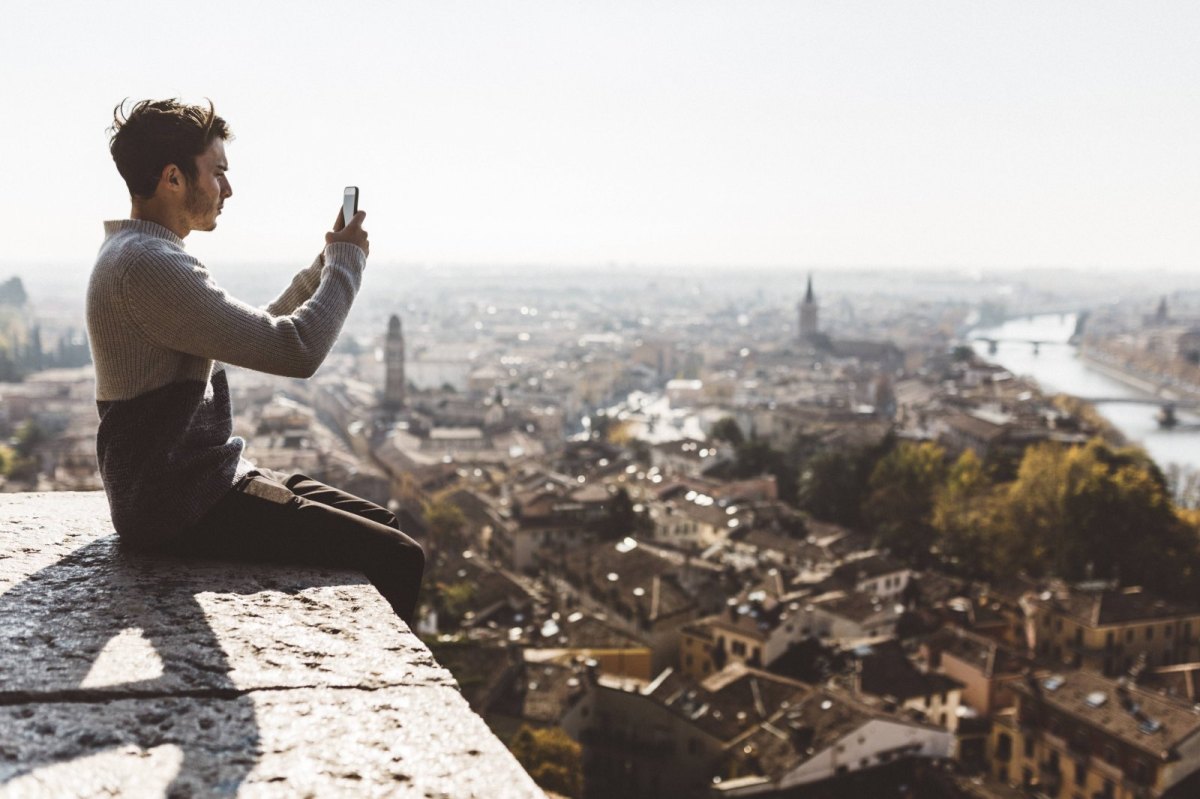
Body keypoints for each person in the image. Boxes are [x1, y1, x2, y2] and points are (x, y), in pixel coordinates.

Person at [86, 99, 424, 625]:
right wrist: (348, 266)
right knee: (397, 556)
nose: (228, 188)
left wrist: (325, 265)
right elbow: (297, 349)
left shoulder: (141, 254)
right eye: (218, 172)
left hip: (189, 485)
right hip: (180, 503)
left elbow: (248, 331)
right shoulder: (147, 264)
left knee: (381, 521)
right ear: (173, 178)